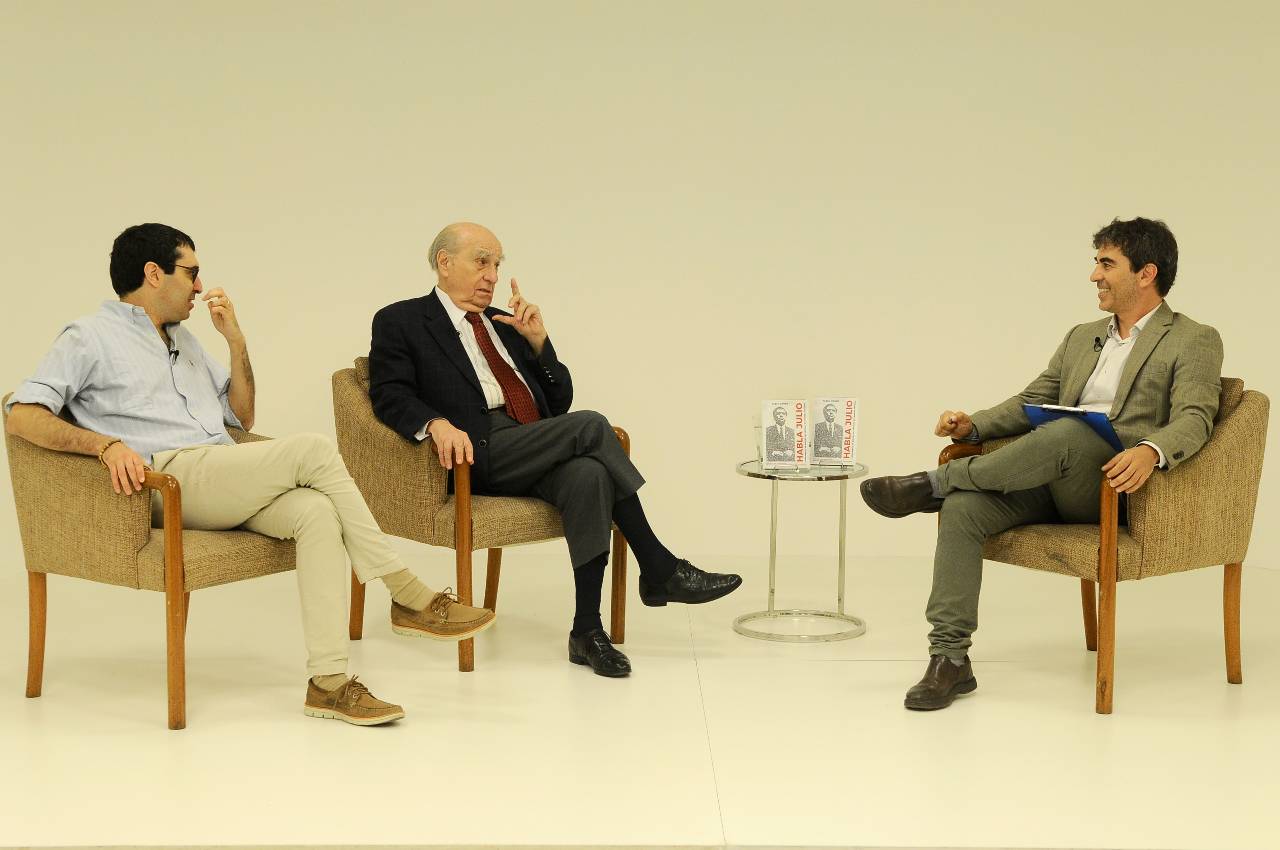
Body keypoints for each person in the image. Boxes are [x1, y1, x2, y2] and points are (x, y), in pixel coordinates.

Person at [5, 223, 496, 727]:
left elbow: (242, 418)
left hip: (217, 471)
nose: (200, 286)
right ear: (154, 274)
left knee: (316, 513)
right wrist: (104, 445)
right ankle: (408, 595)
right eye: (191, 272)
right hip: (160, 483)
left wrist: (235, 342)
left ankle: (328, 684)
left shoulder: (186, 341)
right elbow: (21, 413)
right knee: (312, 450)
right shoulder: (89, 336)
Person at [859, 217, 1223, 711]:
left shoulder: (1192, 338)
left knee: (1070, 432)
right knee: (965, 510)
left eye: (1106, 264)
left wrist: (1150, 451)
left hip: (1113, 489)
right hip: (1048, 475)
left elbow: (1197, 417)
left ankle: (933, 484)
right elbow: (1034, 399)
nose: (1094, 275)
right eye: (1097, 263)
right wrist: (973, 427)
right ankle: (950, 660)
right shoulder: (1081, 336)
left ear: (1146, 273)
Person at [368, 222, 743, 678]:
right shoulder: (402, 320)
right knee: (592, 425)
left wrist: (539, 344)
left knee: (590, 474)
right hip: (475, 450)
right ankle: (659, 566)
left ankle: (586, 631)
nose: (492, 274)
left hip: (529, 441)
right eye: (481, 261)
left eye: (497, 264)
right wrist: (435, 423)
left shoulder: (503, 327)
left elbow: (557, 401)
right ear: (444, 263)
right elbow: (389, 393)